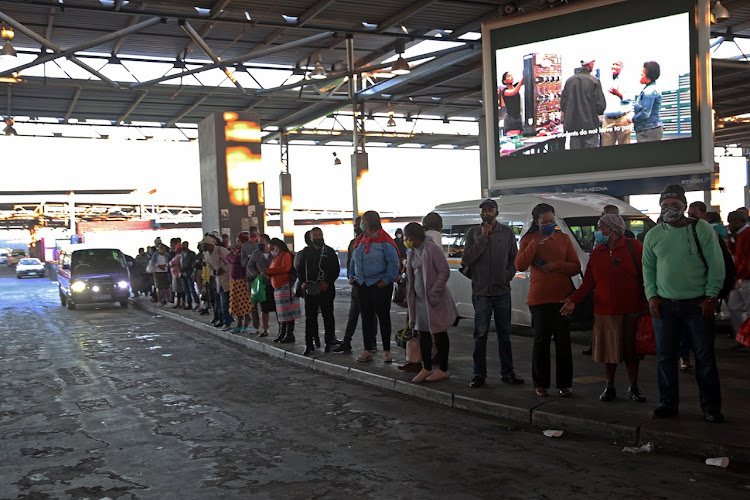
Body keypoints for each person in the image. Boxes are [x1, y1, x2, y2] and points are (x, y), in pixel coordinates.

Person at [642, 184, 724, 423]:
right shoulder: (653, 235)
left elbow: (716, 264)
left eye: (675, 205)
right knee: (665, 357)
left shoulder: (703, 229)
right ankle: (667, 404)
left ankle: (711, 408)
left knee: (704, 357)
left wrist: (711, 296)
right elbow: (648, 268)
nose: (670, 209)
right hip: (665, 306)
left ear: (685, 207)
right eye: (665, 206)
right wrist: (652, 296)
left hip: (699, 306)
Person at [561, 214, 647, 402]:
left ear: (613, 229)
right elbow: (588, 282)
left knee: (631, 352)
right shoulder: (598, 252)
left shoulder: (633, 247)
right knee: (609, 352)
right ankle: (610, 386)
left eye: (600, 227)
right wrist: (573, 300)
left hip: (630, 309)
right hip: (604, 311)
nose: (597, 231)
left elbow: (645, 275)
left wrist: (649, 302)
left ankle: (634, 386)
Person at [515, 203, 581, 397]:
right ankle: (541, 384)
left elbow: (575, 267)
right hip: (539, 299)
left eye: (552, 221)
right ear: (537, 222)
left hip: (562, 298)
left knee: (563, 342)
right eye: (545, 222)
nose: (549, 224)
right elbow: (520, 265)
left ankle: (564, 384)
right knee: (541, 342)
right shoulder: (528, 239)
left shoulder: (563, 239)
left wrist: (556, 265)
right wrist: (535, 244)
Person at [462, 198, 524, 388]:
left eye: (490, 210)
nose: (487, 213)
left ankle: (508, 372)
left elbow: (514, 257)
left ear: (497, 212)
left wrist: (507, 275)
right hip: (481, 292)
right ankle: (479, 374)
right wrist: (483, 237)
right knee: (480, 334)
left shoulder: (506, 233)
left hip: (502, 291)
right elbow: (468, 259)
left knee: (504, 333)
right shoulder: (473, 233)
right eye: (484, 210)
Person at [403, 223, 458, 383]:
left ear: (413, 237)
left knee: (439, 334)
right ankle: (426, 368)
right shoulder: (412, 252)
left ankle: (443, 369)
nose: (405, 240)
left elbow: (444, 271)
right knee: (423, 335)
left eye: (406, 236)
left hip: (434, 301)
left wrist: (434, 292)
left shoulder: (431, 249)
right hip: (419, 302)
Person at [350, 210, 400, 363]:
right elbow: (353, 260)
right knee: (366, 317)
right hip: (362, 284)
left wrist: (387, 279)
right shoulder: (360, 239)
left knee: (383, 317)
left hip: (379, 285)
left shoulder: (385, 240)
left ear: (370, 222)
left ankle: (386, 350)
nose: (361, 224)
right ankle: (367, 349)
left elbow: (393, 262)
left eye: (363, 221)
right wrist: (352, 275)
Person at [299, 227, 340, 355]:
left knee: (328, 316)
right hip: (310, 289)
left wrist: (327, 283)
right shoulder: (305, 252)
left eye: (319, 234)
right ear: (311, 238)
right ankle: (309, 344)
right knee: (310, 317)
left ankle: (329, 342)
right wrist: (303, 282)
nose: (318, 237)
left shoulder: (329, 251)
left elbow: (335, 270)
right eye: (315, 235)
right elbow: (300, 269)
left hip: (326, 289)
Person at [333, 217, 370, 354]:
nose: (356, 227)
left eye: (358, 225)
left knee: (370, 316)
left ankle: (371, 343)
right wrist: (351, 276)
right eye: (355, 225)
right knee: (353, 315)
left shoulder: (373, 241)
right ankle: (347, 342)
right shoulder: (353, 243)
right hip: (356, 285)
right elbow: (350, 262)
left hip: (369, 285)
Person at [560, 58, 606, 149]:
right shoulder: (594, 81)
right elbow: (601, 106)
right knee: (590, 158)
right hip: (590, 126)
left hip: (573, 127)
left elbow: (563, 105)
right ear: (591, 64)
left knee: (577, 157)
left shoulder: (569, 81)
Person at [264, 238, 300, 344]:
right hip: (278, 288)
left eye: (271, 247)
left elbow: (286, 268)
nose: (271, 250)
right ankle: (283, 332)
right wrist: (268, 273)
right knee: (282, 313)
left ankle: (289, 334)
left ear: (276, 245)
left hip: (285, 286)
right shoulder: (276, 256)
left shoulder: (286, 255)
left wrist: (270, 271)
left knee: (288, 312)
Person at [246, 234, 275, 337]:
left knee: (277, 307)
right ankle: (265, 329)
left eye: (262, 241)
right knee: (264, 307)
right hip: (262, 283)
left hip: (275, 283)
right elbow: (250, 266)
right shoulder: (256, 254)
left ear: (268, 242)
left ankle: (282, 328)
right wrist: (256, 274)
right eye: (258, 241)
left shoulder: (274, 253)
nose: (260, 244)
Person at [727, 210, 750, 336]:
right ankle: (742, 337)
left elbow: (745, 258)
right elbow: (736, 254)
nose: (729, 225)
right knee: (733, 307)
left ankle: (745, 338)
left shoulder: (747, 234)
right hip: (742, 278)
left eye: (730, 223)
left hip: (746, 278)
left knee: (738, 307)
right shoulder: (741, 234)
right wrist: (730, 240)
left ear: (737, 222)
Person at [203, 234, 233, 331]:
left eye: (205, 245)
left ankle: (243, 319)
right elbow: (209, 268)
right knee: (223, 302)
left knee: (234, 301)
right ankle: (226, 322)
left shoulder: (221, 250)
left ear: (209, 245)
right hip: (219, 281)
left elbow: (231, 262)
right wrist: (215, 272)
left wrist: (224, 270)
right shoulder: (207, 255)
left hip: (229, 278)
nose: (203, 247)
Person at [601, 60, 633, 146]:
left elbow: (631, 98)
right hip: (608, 120)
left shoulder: (627, 80)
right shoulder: (605, 81)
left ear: (622, 67)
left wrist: (619, 94)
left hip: (622, 119)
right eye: (613, 64)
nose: (614, 66)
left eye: (617, 65)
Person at [227, 233, 253, 334]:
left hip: (242, 278)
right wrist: (233, 259)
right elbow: (228, 258)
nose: (236, 240)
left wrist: (233, 259)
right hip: (233, 278)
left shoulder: (245, 250)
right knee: (236, 302)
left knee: (244, 302)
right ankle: (238, 324)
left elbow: (235, 259)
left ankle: (245, 324)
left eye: (238, 239)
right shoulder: (236, 249)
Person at [631, 61, 663, 143]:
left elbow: (645, 113)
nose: (640, 76)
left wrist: (632, 119)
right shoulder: (651, 89)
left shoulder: (649, 91)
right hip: (650, 129)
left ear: (648, 77)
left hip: (648, 131)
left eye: (642, 74)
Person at [241, 227, 261, 333]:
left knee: (266, 303)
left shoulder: (262, 244)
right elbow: (242, 263)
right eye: (251, 236)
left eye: (255, 235)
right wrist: (248, 259)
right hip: (250, 277)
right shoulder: (245, 246)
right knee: (253, 303)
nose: (253, 237)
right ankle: (256, 326)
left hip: (263, 276)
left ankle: (267, 327)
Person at [180, 241, 199, 310]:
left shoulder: (192, 254)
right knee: (186, 290)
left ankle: (197, 302)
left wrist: (186, 269)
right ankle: (189, 304)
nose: (182, 247)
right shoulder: (182, 254)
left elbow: (193, 264)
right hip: (183, 274)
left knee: (191, 289)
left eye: (184, 245)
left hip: (189, 274)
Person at [169, 243, 186, 308]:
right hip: (175, 275)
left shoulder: (179, 256)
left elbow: (172, 263)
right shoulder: (177, 256)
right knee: (177, 290)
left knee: (180, 290)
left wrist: (171, 263)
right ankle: (179, 302)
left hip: (177, 275)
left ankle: (182, 302)